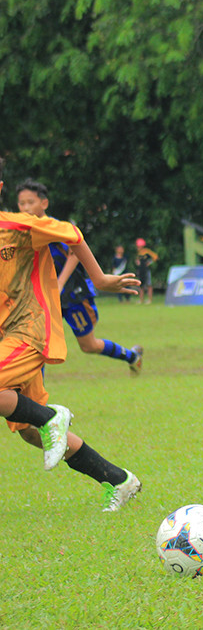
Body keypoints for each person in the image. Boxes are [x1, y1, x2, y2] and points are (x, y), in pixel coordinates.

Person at [0, 161, 142, 510]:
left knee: (41, 420)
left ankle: (52, 417)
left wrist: (101, 279)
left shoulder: (17, 226)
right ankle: (118, 479)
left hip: (32, 328)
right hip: (9, 336)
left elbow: (72, 233)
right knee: (30, 431)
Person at [16, 181, 143, 375]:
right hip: (42, 298)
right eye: (21, 203)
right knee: (37, 343)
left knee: (88, 345)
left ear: (44, 204)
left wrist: (59, 284)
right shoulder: (19, 231)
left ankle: (132, 356)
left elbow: (74, 253)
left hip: (72, 294)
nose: (25, 208)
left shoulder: (55, 227)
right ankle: (35, 400)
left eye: (30, 202)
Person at [135, 238, 158, 304]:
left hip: (146, 270)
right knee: (141, 285)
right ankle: (141, 300)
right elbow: (138, 260)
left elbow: (155, 257)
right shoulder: (139, 253)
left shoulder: (147, 251)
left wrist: (149, 263)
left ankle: (150, 299)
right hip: (141, 270)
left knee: (149, 284)